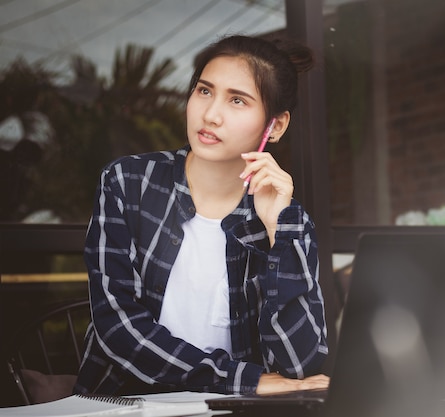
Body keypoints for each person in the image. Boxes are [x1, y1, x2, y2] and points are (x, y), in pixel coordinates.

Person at [73, 35, 329, 396]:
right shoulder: (129, 183)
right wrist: (240, 380)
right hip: (128, 403)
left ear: (276, 126)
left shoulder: (290, 220)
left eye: (237, 100)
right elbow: (118, 326)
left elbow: (299, 365)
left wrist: (278, 233)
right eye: (204, 91)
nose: (210, 114)